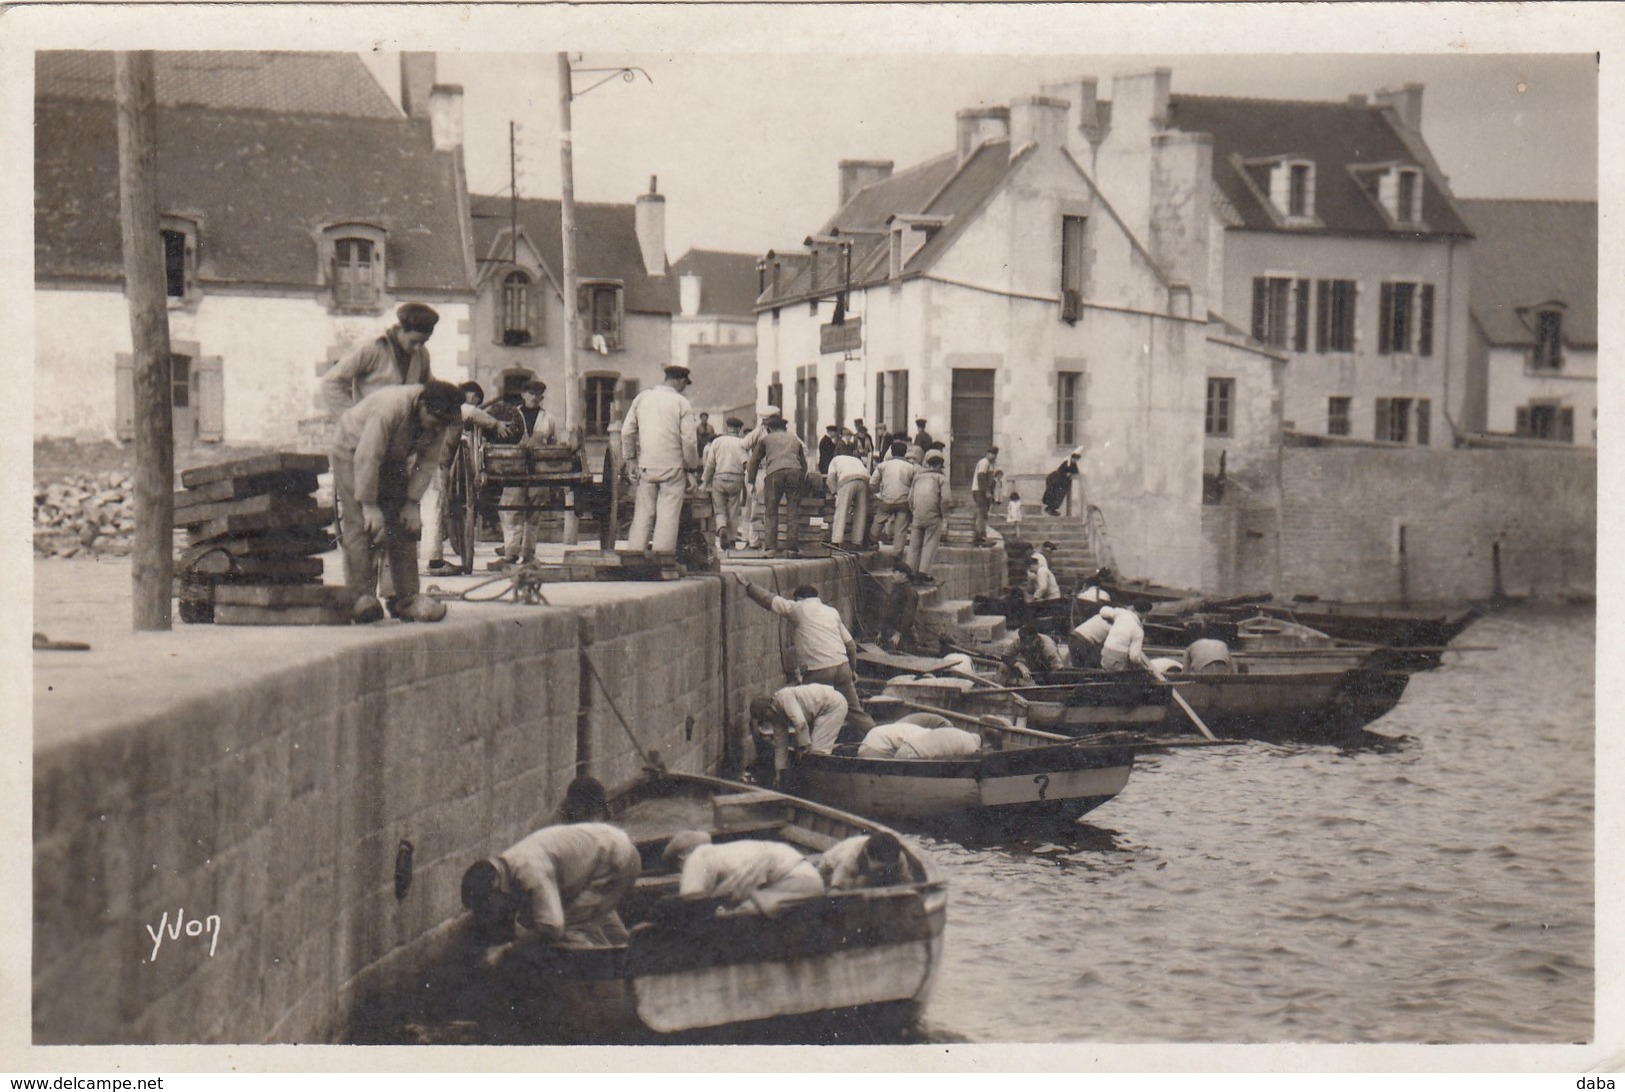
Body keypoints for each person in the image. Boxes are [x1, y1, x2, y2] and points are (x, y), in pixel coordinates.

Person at [330, 381, 463, 623]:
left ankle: (406, 599)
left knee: (404, 522)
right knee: (361, 524)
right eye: (433, 422)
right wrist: (369, 505)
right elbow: (368, 456)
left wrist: (411, 502)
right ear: (421, 405)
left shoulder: (441, 416)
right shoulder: (389, 409)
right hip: (352, 451)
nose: (435, 430)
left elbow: (428, 462)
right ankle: (361, 598)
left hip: (392, 457)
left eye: (441, 425)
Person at [460, 822, 642, 950]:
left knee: (570, 929)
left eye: (487, 905)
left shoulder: (529, 871)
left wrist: (508, 949)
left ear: (494, 884)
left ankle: (603, 986)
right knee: (593, 916)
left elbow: (553, 927)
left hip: (617, 864)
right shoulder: (506, 865)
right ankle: (628, 954)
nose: (488, 912)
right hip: (606, 857)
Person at [737, 579, 877, 741]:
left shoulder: (798, 608)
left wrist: (749, 585)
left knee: (808, 710)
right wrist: (852, 670)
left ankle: (809, 750)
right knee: (855, 711)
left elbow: (769, 600)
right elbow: (851, 646)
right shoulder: (831, 612)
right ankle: (877, 736)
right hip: (842, 666)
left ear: (798, 599)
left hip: (819, 669)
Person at [426, 380, 512, 575]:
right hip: (435, 464)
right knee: (435, 510)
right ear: (471, 396)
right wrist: (496, 423)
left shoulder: (437, 408)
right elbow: (472, 413)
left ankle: (431, 558)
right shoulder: (458, 407)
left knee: (428, 510)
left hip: (422, 463)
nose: (475, 405)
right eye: (476, 401)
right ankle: (435, 562)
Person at [622, 364, 700, 554]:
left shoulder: (642, 398)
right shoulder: (681, 403)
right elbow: (689, 441)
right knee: (668, 516)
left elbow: (626, 432)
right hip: (673, 468)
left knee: (643, 514)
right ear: (681, 381)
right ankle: (662, 558)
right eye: (685, 384)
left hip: (647, 465)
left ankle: (635, 555)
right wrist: (691, 470)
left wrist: (631, 459)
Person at [319, 302, 439, 420]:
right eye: (413, 341)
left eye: (424, 342)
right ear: (401, 329)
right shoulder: (372, 348)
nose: (418, 347)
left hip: (403, 433)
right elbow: (330, 382)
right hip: (368, 429)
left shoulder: (422, 353)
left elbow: (427, 387)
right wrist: (352, 419)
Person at [486, 380, 560, 570]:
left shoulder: (548, 419)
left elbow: (554, 445)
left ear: (542, 397)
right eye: (530, 393)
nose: (534, 397)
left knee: (534, 513)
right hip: (514, 469)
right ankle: (510, 555)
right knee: (511, 511)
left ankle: (528, 555)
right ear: (523, 395)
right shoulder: (511, 414)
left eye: (538, 394)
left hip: (540, 472)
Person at [663, 830, 825, 914]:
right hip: (811, 881)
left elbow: (691, 902)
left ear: (682, 856)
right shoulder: (733, 852)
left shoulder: (699, 855)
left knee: (733, 918)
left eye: (680, 870)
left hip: (793, 884)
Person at [749, 684, 848, 783]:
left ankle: (824, 785)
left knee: (818, 752)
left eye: (765, 718)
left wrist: (803, 746)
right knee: (811, 752)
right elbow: (780, 746)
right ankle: (815, 782)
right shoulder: (777, 716)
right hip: (820, 711)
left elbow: (800, 722)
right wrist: (779, 774)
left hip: (832, 705)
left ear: (768, 709)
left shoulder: (784, 697)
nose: (767, 721)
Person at [745, 412, 807, 557]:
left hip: (775, 473)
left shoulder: (766, 439)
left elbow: (753, 461)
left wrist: (751, 481)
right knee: (793, 510)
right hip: (795, 472)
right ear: (784, 428)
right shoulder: (794, 439)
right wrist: (801, 478)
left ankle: (771, 549)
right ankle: (791, 549)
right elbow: (803, 463)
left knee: (771, 510)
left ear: (769, 429)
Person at [701, 416, 750, 551]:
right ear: (739, 429)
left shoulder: (717, 442)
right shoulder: (742, 442)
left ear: (727, 427)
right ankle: (732, 539)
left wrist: (704, 482)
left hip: (719, 478)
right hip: (736, 478)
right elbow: (747, 463)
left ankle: (721, 527)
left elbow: (710, 464)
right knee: (733, 510)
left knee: (719, 508)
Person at [905, 451, 951, 580]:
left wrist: (914, 511)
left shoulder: (918, 477)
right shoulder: (941, 478)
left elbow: (910, 498)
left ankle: (909, 572)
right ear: (938, 466)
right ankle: (923, 573)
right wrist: (943, 513)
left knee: (914, 545)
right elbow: (946, 499)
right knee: (930, 543)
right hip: (933, 515)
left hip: (918, 514)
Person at [1099, 602, 1168, 680]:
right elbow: (1134, 657)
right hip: (1117, 662)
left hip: (1104, 655)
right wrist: (1143, 668)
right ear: (1145, 613)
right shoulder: (1138, 630)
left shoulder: (1121, 613)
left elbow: (1103, 610)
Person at [817, 832, 907, 891]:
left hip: (866, 874)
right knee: (861, 882)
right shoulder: (850, 857)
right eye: (881, 868)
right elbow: (836, 890)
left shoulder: (899, 857)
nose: (884, 871)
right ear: (867, 854)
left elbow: (907, 884)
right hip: (828, 870)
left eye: (889, 868)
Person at [869, 439, 917, 547]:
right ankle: (897, 554)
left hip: (886, 500)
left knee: (878, 521)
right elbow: (915, 486)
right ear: (905, 453)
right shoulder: (911, 468)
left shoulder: (882, 466)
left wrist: (878, 493)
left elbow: (872, 483)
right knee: (901, 529)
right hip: (904, 502)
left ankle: (872, 541)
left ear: (891, 451)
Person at [857, 721, 981, 759]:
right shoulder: (925, 738)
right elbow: (909, 752)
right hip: (877, 747)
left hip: (870, 742)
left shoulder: (921, 731)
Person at [826, 449, 871, 549]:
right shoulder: (857, 460)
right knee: (860, 512)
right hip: (864, 481)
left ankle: (836, 541)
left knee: (841, 511)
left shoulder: (834, 460)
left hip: (847, 480)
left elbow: (830, 480)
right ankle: (857, 542)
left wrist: (835, 494)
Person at [970, 446, 1000, 546]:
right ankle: (980, 537)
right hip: (980, 491)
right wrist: (986, 491)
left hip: (982, 492)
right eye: (992, 454)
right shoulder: (984, 462)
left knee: (983, 514)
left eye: (994, 454)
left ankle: (982, 536)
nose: (994, 456)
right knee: (981, 513)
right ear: (989, 454)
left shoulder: (989, 464)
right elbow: (981, 477)